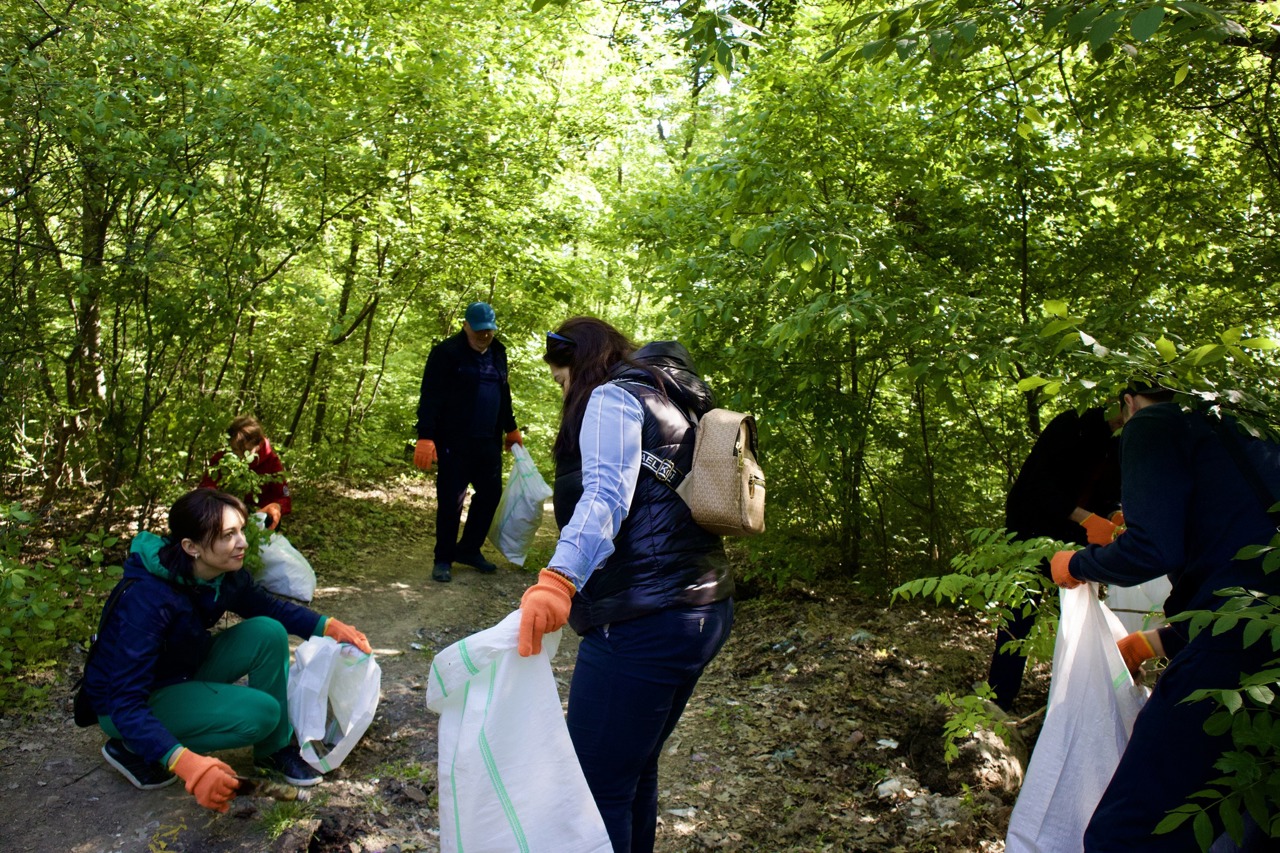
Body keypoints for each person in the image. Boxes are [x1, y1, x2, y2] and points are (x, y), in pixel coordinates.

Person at [518, 317, 735, 853]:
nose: (560, 389)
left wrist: (557, 580)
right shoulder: (672, 399)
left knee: (595, 788)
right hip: (702, 607)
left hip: (645, 618)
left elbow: (604, 499)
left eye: (558, 376)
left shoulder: (615, 398)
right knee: (632, 771)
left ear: (575, 361)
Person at [1051, 383, 1280, 851]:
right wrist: (1156, 642)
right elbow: (1244, 564)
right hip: (1262, 639)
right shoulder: (1249, 427)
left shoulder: (1154, 423)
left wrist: (1076, 565)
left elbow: (1153, 548)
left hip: (1235, 648)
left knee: (1130, 830)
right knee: (1247, 817)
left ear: (1129, 401)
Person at [81, 489, 372, 812]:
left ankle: (273, 750)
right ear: (191, 547)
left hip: (177, 670)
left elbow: (267, 606)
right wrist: (187, 763)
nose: (243, 542)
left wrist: (329, 626)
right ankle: (134, 747)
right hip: (126, 704)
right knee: (261, 713)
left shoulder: (221, 575)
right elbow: (124, 700)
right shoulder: (148, 599)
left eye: (241, 530)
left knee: (267, 631)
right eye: (228, 535)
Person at [987, 403, 1124, 710]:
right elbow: (1039, 488)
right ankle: (999, 699)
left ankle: (1071, 702)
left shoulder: (1121, 445)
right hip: (1033, 535)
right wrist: (1085, 517)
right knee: (1020, 614)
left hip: (1075, 544)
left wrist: (1114, 515)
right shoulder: (1070, 429)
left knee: (1079, 618)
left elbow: (1112, 491)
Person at [414, 301, 522, 582]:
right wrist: (425, 436)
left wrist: (511, 429)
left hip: (487, 440)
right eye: (479, 331)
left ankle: (469, 549)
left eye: (489, 330)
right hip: (453, 441)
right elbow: (430, 396)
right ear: (465, 326)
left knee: (490, 495)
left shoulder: (498, 352)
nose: (484, 336)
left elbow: (504, 392)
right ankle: (443, 558)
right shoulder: (446, 353)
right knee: (451, 500)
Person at [199, 415, 291, 531]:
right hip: (224, 518)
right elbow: (206, 487)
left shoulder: (272, 462)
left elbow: (283, 496)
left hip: (259, 520)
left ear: (258, 445)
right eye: (235, 450)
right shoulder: (221, 460)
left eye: (246, 452)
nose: (240, 457)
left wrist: (276, 506)